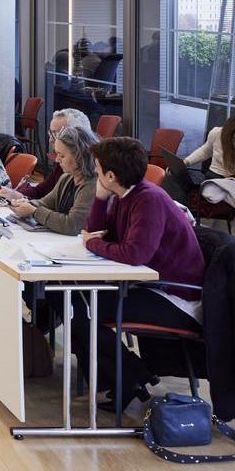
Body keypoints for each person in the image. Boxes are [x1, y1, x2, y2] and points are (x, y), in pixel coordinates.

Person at [71, 137, 205, 409]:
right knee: (77, 302)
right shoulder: (125, 195)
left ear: (111, 175)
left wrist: (93, 243)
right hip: (152, 286)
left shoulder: (149, 199)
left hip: (177, 297)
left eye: (98, 170)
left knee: (84, 310)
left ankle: (130, 377)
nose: (95, 173)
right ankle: (127, 376)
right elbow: (98, 231)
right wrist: (99, 197)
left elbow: (135, 254)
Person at [7, 126, 98, 235]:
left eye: (62, 155)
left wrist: (34, 211)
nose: (57, 159)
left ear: (80, 156)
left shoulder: (93, 184)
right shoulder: (67, 178)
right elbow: (46, 203)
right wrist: (24, 204)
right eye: (57, 154)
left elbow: (73, 224)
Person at [0, 107, 92, 201]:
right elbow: (42, 191)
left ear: (77, 135)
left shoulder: (88, 178)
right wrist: (14, 194)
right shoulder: (63, 164)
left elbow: (61, 211)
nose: (51, 139)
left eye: (57, 133)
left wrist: (23, 200)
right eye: (50, 133)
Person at [163, 114, 235, 203]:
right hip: (213, 177)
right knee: (172, 176)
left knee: (214, 191)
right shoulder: (217, 133)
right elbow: (205, 151)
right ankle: (177, 210)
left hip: (230, 180)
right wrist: (185, 162)